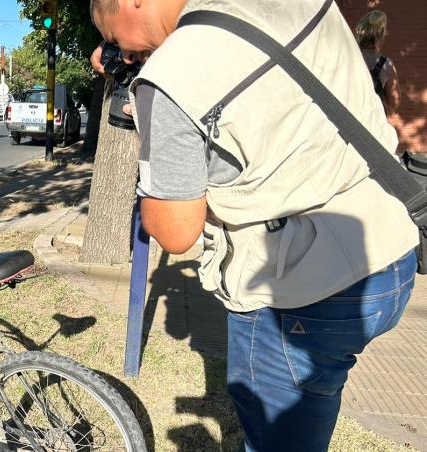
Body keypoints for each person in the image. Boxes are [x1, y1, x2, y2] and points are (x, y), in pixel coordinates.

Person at [89, 0, 417, 450]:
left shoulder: (170, 76)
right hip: (389, 248)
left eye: (112, 38)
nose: (121, 52)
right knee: (318, 393)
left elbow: (174, 232)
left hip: (302, 292)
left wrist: (154, 121)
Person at [354, 10, 400, 116]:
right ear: (381, 35)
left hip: (346, 121)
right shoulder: (386, 64)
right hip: (372, 123)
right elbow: (394, 102)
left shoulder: (347, 57)